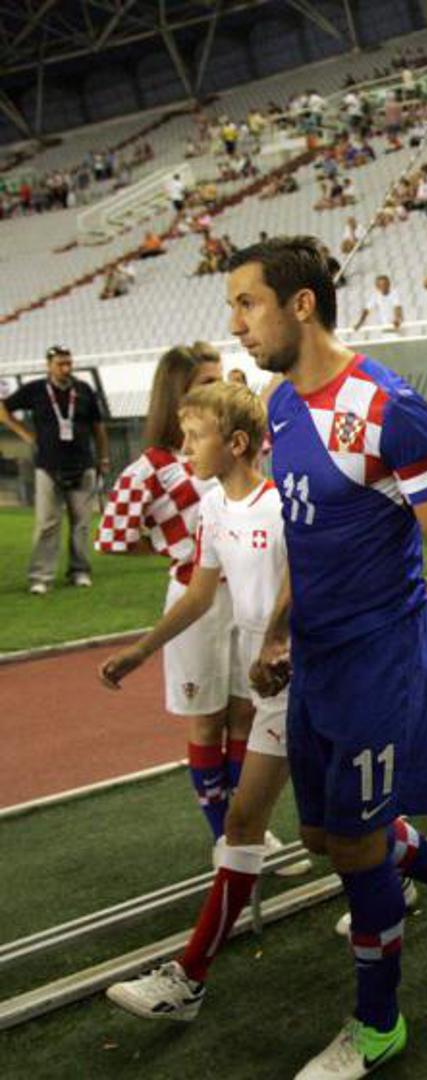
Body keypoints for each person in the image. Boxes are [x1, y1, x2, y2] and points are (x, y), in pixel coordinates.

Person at [225, 237, 427, 1076]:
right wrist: (279, 629)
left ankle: (378, 1024)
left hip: (379, 661)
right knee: (322, 837)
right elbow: (307, 533)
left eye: (247, 304)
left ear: (301, 305)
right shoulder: (281, 403)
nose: (237, 325)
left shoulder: (390, 408)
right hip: (316, 659)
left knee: (358, 850)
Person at [102, 381, 311, 1022]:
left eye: (196, 437)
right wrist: (141, 651)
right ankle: (189, 978)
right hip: (267, 679)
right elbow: (199, 594)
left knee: (331, 831)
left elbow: (304, 580)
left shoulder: (282, 506)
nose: (186, 447)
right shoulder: (214, 505)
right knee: (275, 829)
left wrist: (275, 640)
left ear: (237, 443)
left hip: (303, 673)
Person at [98, 347, 239, 840]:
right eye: (206, 382)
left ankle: (247, 825)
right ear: (176, 395)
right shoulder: (150, 468)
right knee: (208, 722)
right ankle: (227, 836)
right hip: (194, 604)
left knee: (247, 715)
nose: (218, 389)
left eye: (219, 379)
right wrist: (175, 548)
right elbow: (113, 538)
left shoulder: (232, 447)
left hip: (247, 595)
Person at [1, 346, 108, 594]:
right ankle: (40, 577)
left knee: (81, 524)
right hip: (48, 467)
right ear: (48, 365)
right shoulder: (36, 389)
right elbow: (3, 410)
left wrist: (103, 458)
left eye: (69, 363)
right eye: (60, 364)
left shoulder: (84, 390)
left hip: (83, 465)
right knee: (47, 523)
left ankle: (80, 571)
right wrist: (25, 434)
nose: (66, 368)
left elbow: (98, 426)